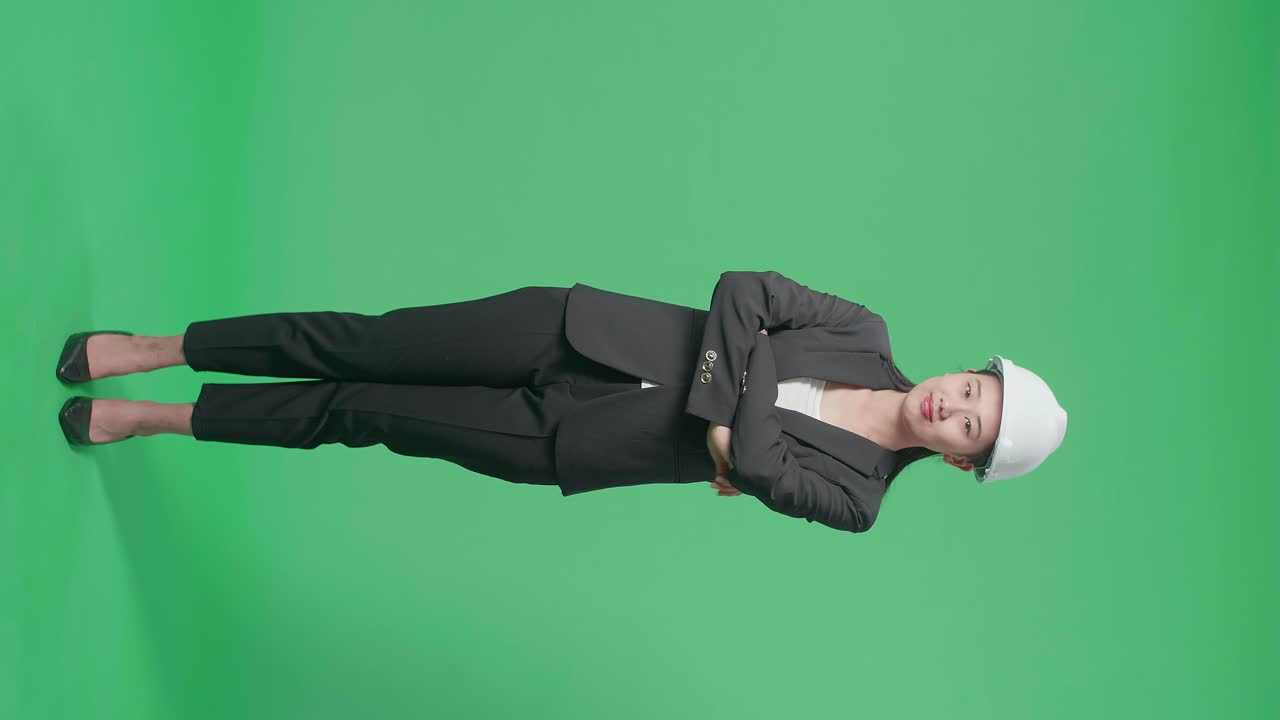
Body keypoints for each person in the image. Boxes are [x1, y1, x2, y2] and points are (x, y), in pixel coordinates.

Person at [55, 271, 1068, 533]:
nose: (954, 405)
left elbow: (761, 468)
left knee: (359, 411)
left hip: (572, 439)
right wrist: (724, 424)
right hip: (573, 326)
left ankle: (163, 418)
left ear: (959, 461)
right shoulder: (864, 330)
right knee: (358, 339)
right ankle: (160, 349)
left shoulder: (857, 501)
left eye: (971, 426)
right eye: (972, 388)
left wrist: (734, 410)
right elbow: (744, 291)